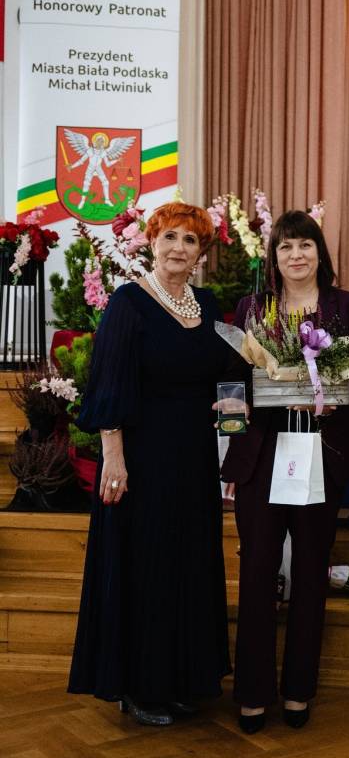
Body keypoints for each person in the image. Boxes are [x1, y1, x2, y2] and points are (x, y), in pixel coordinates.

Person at [68, 202, 245, 725]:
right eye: (169, 237)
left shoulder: (208, 305)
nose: (178, 248)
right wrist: (113, 458)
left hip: (194, 458)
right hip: (141, 461)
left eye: (190, 240)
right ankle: (140, 687)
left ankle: (183, 679)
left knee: (188, 564)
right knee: (147, 566)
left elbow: (230, 374)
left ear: (201, 253)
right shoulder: (129, 302)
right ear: (151, 242)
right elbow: (109, 382)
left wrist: (234, 432)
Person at [221, 210, 349, 734]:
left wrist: (335, 399)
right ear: (274, 257)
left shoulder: (347, 307)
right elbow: (232, 380)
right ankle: (252, 692)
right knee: (257, 570)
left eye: (305, 244)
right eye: (286, 246)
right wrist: (234, 419)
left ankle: (298, 690)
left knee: (311, 571)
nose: (296, 255)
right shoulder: (252, 307)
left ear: (319, 252)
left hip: (322, 452)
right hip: (263, 456)